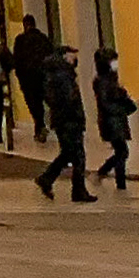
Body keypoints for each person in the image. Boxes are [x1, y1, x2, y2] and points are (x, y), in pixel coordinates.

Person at [35, 44, 97, 203]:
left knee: (68, 153)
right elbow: (70, 98)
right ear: (64, 56)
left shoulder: (53, 73)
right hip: (69, 120)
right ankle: (77, 190)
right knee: (78, 156)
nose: (75, 59)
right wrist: (77, 116)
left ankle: (48, 179)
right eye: (72, 55)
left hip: (62, 120)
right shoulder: (63, 75)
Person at [93, 47, 138, 191]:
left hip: (115, 120)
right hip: (112, 121)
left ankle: (108, 174)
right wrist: (122, 104)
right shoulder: (104, 81)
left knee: (121, 151)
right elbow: (106, 103)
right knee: (122, 151)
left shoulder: (110, 79)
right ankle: (116, 180)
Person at [10, 14, 54, 144]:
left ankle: (40, 126)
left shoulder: (20, 40)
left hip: (27, 79)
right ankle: (41, 126)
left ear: (25, 25)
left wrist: (19, 76)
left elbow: (17, 60)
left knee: (34, 104)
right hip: (43, 76)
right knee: (44, 101)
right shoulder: (43, 39)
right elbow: (50, 55)